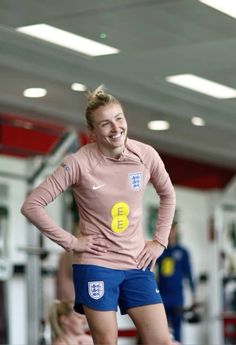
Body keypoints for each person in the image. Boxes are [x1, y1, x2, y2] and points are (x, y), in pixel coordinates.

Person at [21, 85, 176, 345]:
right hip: (97, 265)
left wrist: (159, 241)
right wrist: (71, 242)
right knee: (106, 342)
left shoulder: (145, 155)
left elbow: (168, 195)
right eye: (105, 124)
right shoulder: (78, 163)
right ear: (92, 133)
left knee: (160, 340)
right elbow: (32, 205)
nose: (116, 129)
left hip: (137, 263)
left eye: (119, 119)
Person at [156, 222, 196, 343]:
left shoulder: (183, 252)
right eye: (168, 230)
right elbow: (150, 268)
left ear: (176, 232)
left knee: (177, 327)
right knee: (161, 328)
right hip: (162, 295)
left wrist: (194, 295)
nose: (171, 233)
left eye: (173, 230)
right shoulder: (160, 251)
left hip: (177, 296)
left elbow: (189, 274)